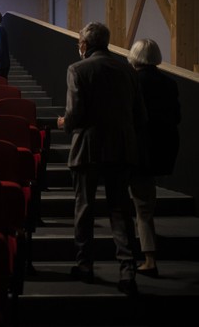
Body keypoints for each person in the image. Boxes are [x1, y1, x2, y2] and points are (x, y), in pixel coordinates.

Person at [57, 22, 146, 296]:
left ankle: (85, 266)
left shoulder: (77, 69)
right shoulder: (127, 70)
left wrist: (64, 124)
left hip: (88, 148)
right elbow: (140, 114)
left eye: (79, 43)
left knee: (84, 208)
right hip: (121, 148)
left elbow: (75, 114)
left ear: (84, 45)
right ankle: (127, 270)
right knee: (120, 210)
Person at [127, 38, 180, 278]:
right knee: (145, 200)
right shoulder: (169, 83)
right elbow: (176, 117)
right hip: (162, 149)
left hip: (137, 149)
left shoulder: (132, 82)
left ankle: (148, 258)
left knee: (141, 205)